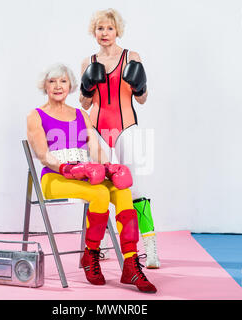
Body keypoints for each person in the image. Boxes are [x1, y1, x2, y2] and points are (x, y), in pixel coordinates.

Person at [26, 63, 157, 293]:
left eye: (63, 81)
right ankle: (91, 256)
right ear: (44, 85)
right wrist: (67, 168)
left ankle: (130, 264)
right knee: (99, 193)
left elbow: (95, 149)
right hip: (55, 178)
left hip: (86, 173)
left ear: (71, 86)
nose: (58, 86)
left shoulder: (81, 115)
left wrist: (108, 167)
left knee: (122, 190)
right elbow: (43, 155)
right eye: (52, 81)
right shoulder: (35, 116)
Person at [79, 8, 160, 268]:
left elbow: (142, 99)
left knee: (136, 189)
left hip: (126, 127)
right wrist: (85, 85)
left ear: (117, 31)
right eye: (100, 28)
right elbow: (84, 102)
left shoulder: (131, 57)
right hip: (97, 128)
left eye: (109, 29)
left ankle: (149, 247)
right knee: (98, 188)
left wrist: (141, 86)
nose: (105, 33)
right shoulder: (88, 61)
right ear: (94, 31)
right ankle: (97, 246)